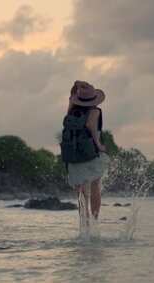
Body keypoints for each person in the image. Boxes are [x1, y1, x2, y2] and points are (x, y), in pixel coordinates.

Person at [61, 81, 109, 220]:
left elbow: (71, 97)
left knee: (80, 190)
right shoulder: (95, 110)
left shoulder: (71, 109)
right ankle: (94, 220)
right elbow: (90, 125)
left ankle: (84, 222)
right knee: (95, 185)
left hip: (73, 153)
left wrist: (76, 86)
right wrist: (99, 145)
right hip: (90, 152)